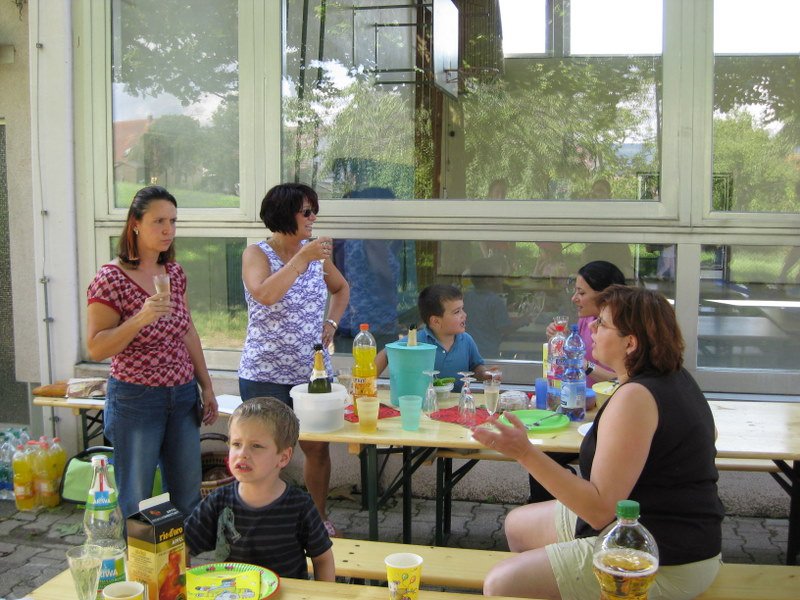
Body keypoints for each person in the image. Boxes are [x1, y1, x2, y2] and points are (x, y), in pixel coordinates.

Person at [474, 286, 724, 600]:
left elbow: (600, 511)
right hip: (649, 525)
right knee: (517, 526)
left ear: (630, 343)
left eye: (603, 324)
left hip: (663, 557)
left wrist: (524, 452)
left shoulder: (636, 397)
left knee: (501, 584)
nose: (591, 327)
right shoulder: (672, 378)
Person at [86, 185, 219, 520]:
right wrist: (141, 318)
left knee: (187, 496)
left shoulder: (173, 272)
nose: (168, 230)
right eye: (158, 221)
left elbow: (188, 330)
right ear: (135, 224)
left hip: (182, 394)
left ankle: (183, 555)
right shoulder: (111, 278)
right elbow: (97, 346)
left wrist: (206, 386)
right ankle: (138, 556)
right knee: (137, 500)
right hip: (137, 398)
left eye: (172, 221)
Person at [238, 183, 349, 537]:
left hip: (312, 372)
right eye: (306, 212)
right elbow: (265, 294)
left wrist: (331, 323)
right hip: (265, 372)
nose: (313, 218)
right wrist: (302, 258)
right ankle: (265, 522)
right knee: (264, 451)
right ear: (285, 215)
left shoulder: (316, 255)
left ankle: (317, 519)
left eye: (314, 211)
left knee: (316, 448)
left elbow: (341, 288)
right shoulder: (256, 253)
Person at [185, 397, 335, 580]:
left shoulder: (300, 505)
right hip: (233, 592)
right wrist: (179, 586)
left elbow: (323, 559)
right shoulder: (217, 501)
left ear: (283, 457)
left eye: (256, 446)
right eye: (236, 444)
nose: (242, 454)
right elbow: (182, 546)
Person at [375, 284, 492, 391]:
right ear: (436, 321)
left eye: (462, 309)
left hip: (457, 403)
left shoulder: (466, 340)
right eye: (457, 312)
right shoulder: (416, 341)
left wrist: (485, 374)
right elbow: (386, 353)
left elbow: (476, 366)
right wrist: (368, 382)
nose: (464, 315)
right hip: (427, 403)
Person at [547, 261, 625, 390]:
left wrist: (581, 363)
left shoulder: (623, 328)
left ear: (605, 294)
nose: (574, 298)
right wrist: (562, 339)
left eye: (581, 293)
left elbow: (623, 380)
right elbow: (577, 354)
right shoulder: (587, 319)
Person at [464, 258, 531, 358]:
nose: (502, 280)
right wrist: (522, 321)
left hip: (468, 350)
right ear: (488, 281)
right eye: (499, 277)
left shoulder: (467, 296)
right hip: (488, 352)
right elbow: (505, 328)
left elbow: (483, 317)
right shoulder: (495, 301)